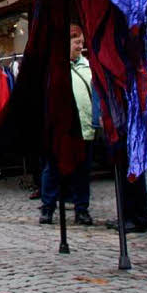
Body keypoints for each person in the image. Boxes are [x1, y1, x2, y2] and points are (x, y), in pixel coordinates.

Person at [40, 24, 96, 226]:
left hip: (85, 127)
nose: (80, 46)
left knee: (82, 171)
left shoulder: (88, 67)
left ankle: (82, 209)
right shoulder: (54, 68)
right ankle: (48, 208)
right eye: (76, 42)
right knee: (53, 169)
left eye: (81, 42)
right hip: (61, 129)